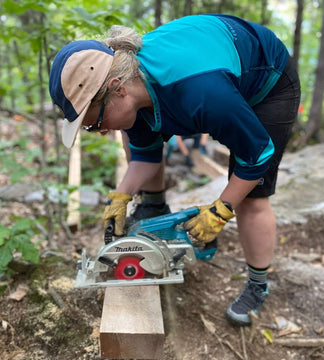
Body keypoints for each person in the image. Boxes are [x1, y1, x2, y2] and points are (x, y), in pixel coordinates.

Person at [49, 14, 301, 326]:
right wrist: (121, 195)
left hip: (267, 80)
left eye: (95, 123)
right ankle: (153, 206)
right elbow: (145, 156)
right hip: (203, 77)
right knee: (132, 136)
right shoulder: (132, 91)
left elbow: (259, 153)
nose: (99, 131)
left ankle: (258, 285)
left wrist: (222, 209)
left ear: (117, 88)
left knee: (251, 198)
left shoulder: (203, 92)